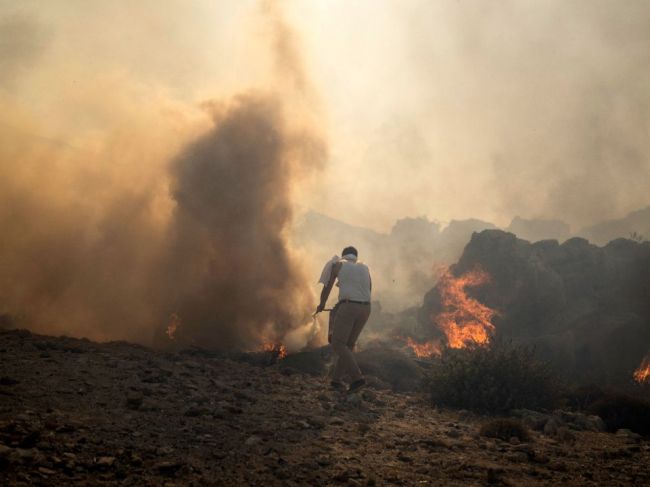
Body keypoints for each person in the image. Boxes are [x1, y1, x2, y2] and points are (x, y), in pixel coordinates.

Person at [316, 246, 371, 392]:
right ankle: (336, 380)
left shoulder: (339, 264)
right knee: (349, 345)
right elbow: (368, 289)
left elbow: (327, 287)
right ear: (355, 257)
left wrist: (321, 304)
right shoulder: (364, 267)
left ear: (344, 256)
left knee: (338, 344)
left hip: (349, 307)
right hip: (366, 308)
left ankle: (357, 378)